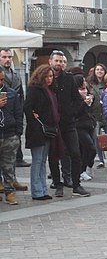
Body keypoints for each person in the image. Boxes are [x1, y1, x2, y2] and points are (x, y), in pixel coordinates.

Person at [48, 50, 90, 197]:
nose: (58, 64)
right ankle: (58, 184)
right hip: (52, 124)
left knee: (75, 153)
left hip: (68, 123)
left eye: (61, 61)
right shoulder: (46, 78)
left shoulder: (69, 79)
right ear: (50, 62)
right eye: (56, 61)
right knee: (54, 155)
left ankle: (76, 184)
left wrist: (72, 112)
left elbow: (77, 99)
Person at [24, 65, 60, 200]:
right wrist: (34, 120)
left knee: (43, 161)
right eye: (47, 76)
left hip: (48, 130)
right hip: (37, 130)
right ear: (41, 76)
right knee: (37, 161)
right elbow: (27, 108)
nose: (49, 79)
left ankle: (43, 189)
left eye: (51, 76)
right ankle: (37, 191)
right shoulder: (34, 89)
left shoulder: (49, 90)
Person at [0, 48, 29, 195]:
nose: (7, 59)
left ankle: (12, 181)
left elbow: (21, 96)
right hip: (2, 121)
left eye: (9, 57)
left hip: (13, 119)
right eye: (4, 57)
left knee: (10, 156)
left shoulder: (16, 75)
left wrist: (20, 122)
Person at [0, 66, 23, 205]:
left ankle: (10, 192)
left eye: (2, 79)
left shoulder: (12, 93)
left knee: (8, 167)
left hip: (10, 135)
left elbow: (18, 113)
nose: (1, 82)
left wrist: (18, 133)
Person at [74, 75, 97, 182]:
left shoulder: (88, 93)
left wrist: (90, 103)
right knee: (90, 147)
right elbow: (76, 113)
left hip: (89, 125)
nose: (83, 90)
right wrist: (84, 104)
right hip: (79, 126)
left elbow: (90, 111)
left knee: (86, 150)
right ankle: (81, 170)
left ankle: (82, 170)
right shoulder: (75, 98)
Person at [87, 63, 107, 169]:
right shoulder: (90, 84)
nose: (99, 71)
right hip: (95, 115)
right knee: (97, 139)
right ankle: (101, 160)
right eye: (97, 70)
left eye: (101, 70)